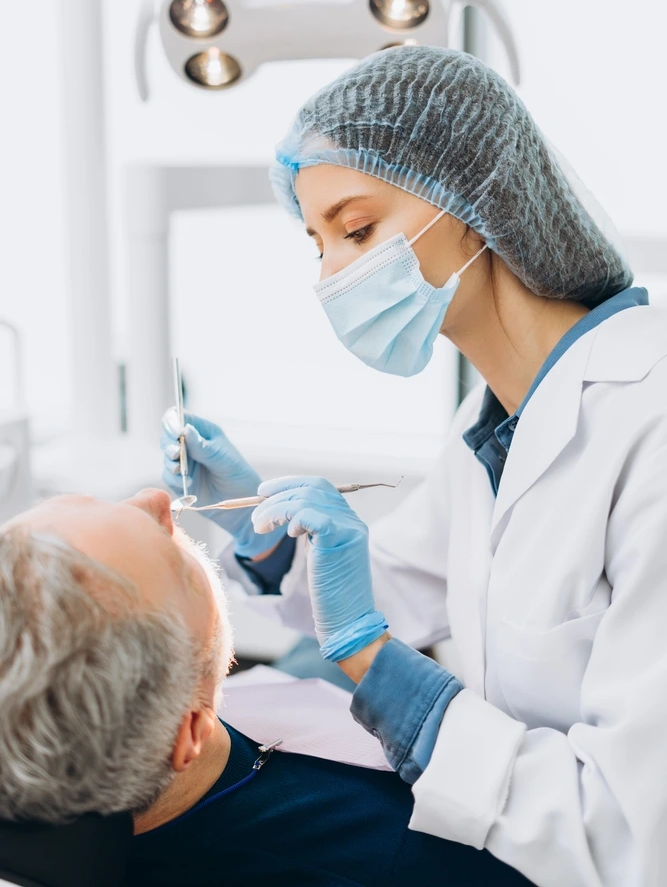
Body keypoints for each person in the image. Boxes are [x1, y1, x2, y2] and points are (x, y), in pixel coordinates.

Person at [161, 46, 667, 887]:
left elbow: (626, 834)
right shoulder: (498, 417)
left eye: (356, 230)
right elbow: (391, 583)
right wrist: (258, 532)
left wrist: (371, 662)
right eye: (316, 244)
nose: (332, 276)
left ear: (473, 197)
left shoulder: (647, 416)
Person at [0, 489, 531, 886]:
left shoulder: (123, 733)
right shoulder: (399, 860)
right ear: (187, 731)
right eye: (172, 563)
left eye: (86, 502)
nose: (155, 500)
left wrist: (280, 559)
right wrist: (369, 654)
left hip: (277, 706)